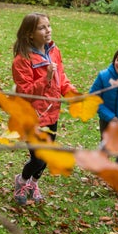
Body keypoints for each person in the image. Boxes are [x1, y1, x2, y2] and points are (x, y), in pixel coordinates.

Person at [11, 13, 77, 205]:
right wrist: (45, 78)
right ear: (30, 34)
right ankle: (21, 181)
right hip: (32, 116)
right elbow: (24, 92)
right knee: (38, 158)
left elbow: (62, 78)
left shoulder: (54, 51)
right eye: (42, 28)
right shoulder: (22, 60)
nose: (47, 30)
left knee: (46, 157)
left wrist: (72, 94)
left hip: (52, 113)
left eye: (48, 26)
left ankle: (33, 183)